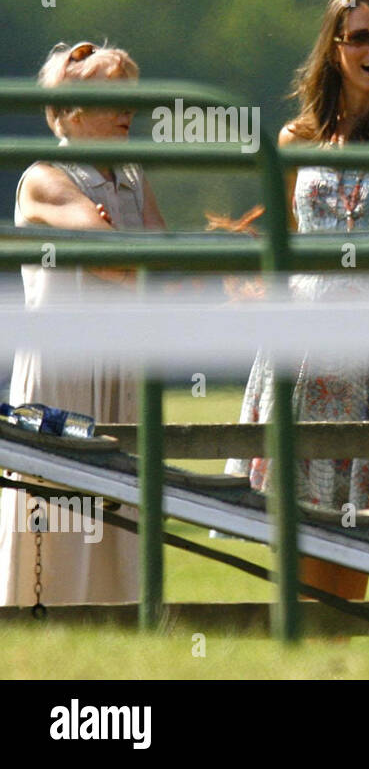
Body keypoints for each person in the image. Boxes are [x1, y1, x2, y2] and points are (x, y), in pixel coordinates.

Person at [227, 0, 369, 600]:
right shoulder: (295, 139)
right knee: (292, 516)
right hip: (297, 346)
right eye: (360, 37)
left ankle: (344, 646)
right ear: (335, 48)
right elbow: (283, 247)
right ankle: (305, 650)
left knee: (359, 518)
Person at [0, 41, 165, 606]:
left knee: (123, 527)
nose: (129, 110)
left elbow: (157, 261)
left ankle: (122, 644)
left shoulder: (133, 175)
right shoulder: (43, 177)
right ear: (70, 109)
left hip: (123, 365)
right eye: (112, 95)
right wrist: (122, 251)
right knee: (61, 529)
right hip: (64, 373)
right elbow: (113, 259)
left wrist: (122, 251)